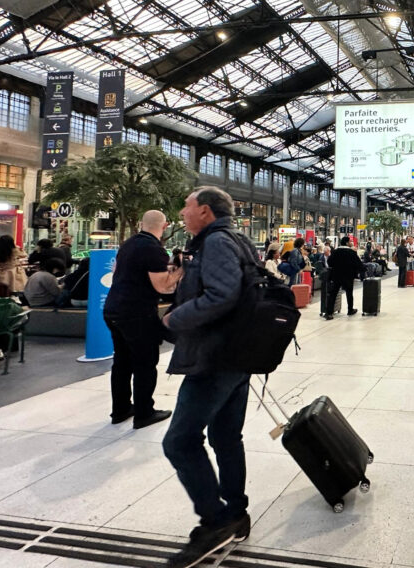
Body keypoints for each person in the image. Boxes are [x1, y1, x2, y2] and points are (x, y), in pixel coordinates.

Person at [161, 187, 252, 567]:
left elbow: (221, 295)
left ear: (205, 211)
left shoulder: (216, 242)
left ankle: (216, 522)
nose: (182, 212)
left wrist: (174, 318)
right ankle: (236, 514)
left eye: (187, 205)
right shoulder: (237, 239)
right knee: (226, 437)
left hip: (213, 360)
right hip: (239, 355)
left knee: (180, 442)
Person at [103, 210, 181, 429]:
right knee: (145, 362)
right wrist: (180, 271)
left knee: (122, 361)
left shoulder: (128, 245)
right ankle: (144, 413)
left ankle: (120, 410)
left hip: (113, 309)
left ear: (141, 224)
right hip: (136, 313)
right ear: (164, 226)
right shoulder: (153, 249)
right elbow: (163, 286)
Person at [323, 236, 366, 320]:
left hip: (336, 275)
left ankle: (329, 313)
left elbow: (329, 261)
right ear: (346, 243)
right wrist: (363, 270)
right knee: (349, 293)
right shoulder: (351, 252)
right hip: (348, 276)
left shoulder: (335, 251)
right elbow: (358, 263)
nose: (351, 242)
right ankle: (350, 310)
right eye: (350, 241)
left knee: (333, 293)